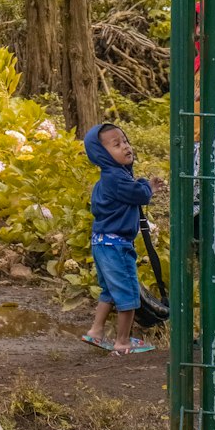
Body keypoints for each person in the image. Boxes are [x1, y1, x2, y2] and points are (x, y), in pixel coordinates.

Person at [82, 123, 156, 355]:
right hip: (116, 245)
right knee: (128, 294)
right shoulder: (116, 178)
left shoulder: (109, 178)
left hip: (102, 242)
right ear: (102, 154)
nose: (125, 147)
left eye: (125, 141)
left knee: (109, 291)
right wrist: (147, 184)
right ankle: (123, 342)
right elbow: (141, 195)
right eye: (117, 145)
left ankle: (96, 331)